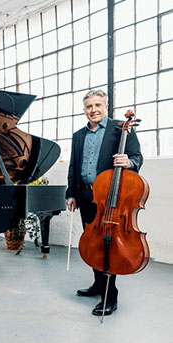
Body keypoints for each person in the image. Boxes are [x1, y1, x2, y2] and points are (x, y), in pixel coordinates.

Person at [66, 89, 143, 316]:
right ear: (84, 110)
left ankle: (110, 295)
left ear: (106, 107)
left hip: (110, 198)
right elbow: (73, 166)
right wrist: (71, 193)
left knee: (108, 244)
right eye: (89, 106)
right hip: (85, 196)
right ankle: (98, 284)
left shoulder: (120, 128)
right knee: (93, 243)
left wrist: (129, 162)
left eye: (97, 105)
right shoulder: (78, 135)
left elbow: (137, 156)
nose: (93, 110)